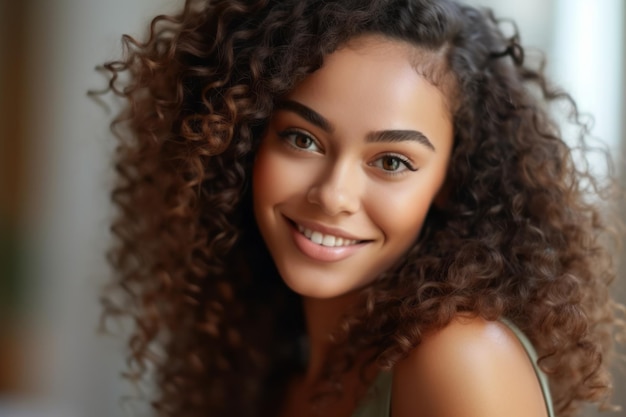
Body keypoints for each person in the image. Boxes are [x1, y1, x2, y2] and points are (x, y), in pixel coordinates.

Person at [97, 0, 624, 416]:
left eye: (392, 162)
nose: (332, 194)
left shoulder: (458, 358)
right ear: (242, 139)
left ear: (450, 181)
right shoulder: (270, 363)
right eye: (302, 139)